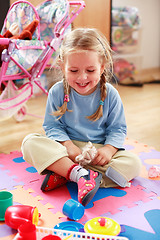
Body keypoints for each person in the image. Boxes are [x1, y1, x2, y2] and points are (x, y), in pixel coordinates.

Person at [21, 28, 142, 206]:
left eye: (90, 70)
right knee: (29, 143)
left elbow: (118, 129)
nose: (82, 77)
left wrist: (108, 150)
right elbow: (52, 127)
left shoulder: (110, 94)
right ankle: (78, 174)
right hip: (66, 149)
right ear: (62, 66)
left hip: (97, 152)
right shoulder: (57, 91)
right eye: (74, 70)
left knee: (133, 164)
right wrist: (68, 146)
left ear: (102, 67)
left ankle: (68, 174)